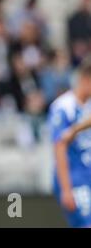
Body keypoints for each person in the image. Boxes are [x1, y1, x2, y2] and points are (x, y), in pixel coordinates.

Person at [48, 57, 91, 228]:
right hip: (75, 177)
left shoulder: (88, 105)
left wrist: (75, 130)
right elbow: (59, 147)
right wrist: (66, 188)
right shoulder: (63, 107)